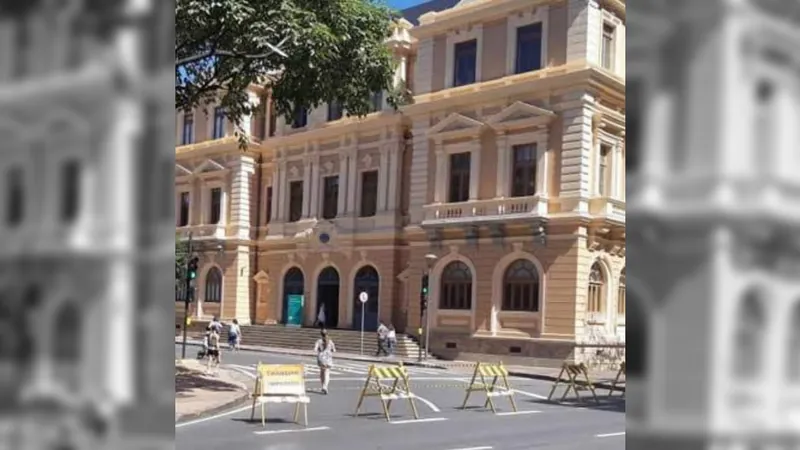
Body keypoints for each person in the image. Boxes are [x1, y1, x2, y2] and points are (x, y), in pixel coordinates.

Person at [314, 329, 336, 394]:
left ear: (321, 334)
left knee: (322, 372)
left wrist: (319, 349)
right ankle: (325, 386)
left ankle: (323, 386)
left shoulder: (319, 341)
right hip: (328, 358)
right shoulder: (330, 341)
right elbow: (334, 350)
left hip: (321, 358)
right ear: (327, 333)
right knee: (327, 372)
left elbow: (315, 349)